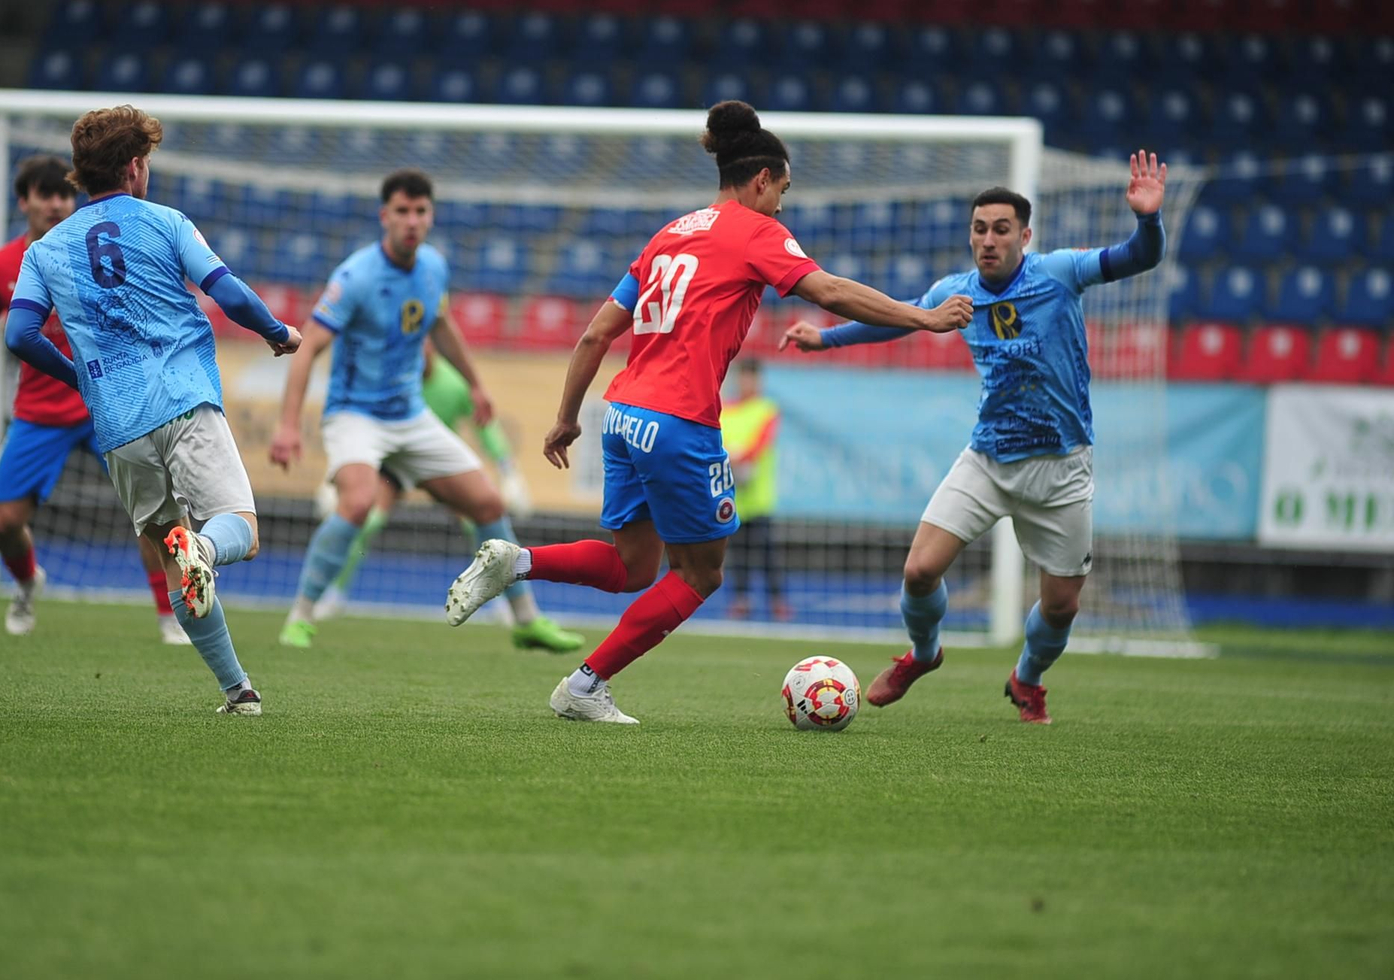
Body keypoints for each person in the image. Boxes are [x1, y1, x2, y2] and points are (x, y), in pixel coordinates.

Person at [443, 100, 973, 724]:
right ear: (760, 180)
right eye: (782, 190)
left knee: (632, 565)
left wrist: (567, 417)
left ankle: (516, 560)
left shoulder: (669, 233)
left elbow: (594, 336)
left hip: (621, 414)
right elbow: (827, 290)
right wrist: (925, 318)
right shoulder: (758, 231)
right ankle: (586, 685)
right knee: (701, 573)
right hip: (678, 422)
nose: (782, 204)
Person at [779, 151, 1169, 724]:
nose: (989, 240)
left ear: (1025, 235)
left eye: (1002, 230)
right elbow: (897, 317)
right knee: (918, 572)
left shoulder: (1059, 272)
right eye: (980, 229)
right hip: (987, 459)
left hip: (1061, 468)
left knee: (1060, 606)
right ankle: (924, 653)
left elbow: (1139, 257)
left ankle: (1027, 678)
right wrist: (826, 339)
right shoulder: (956, 290)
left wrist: (1148, 220)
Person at [5, 105, 301, 715]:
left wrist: (81, 379)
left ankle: (237, 690)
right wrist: (277, 333)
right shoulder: (165, 222)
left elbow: (20, 334)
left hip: (117, 425)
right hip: (183, 399)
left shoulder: (45, 249)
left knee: (171, 554)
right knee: (237, 532)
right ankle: (206, 554)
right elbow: (227, 292)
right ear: (136, 166)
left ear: (82, 176)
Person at [269, 169, 581, 654]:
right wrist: (288, 425)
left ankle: (525, 620)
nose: (411, 221)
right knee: (356, 504)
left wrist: (476, 385)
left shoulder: (433, 266)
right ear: (384, 217)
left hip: (410, 416)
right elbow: (307, 348)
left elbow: (441, 325)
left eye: (420, 212)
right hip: (356, 416)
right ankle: (302, 616)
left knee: (489, 505)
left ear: (430, 216)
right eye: (402, 212)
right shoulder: (356, 276)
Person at [0, 155, 187, 644]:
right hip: (41, 410)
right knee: (4, 521)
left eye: (64, 194)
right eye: (45, 195)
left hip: (109, 404)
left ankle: (169, 612)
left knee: (156, 512)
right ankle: (27, 582)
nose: (56, 204)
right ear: (24, 201)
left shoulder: (101, 253)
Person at [307, 335, 532, 625]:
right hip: (392, 463)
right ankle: (333, 595)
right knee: (368, 520)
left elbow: (485, 427)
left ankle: (506, 603)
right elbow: (357, 426)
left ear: (431, 348)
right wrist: (333, 478)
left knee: (482, 523)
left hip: (436, 464)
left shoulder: (454, 383)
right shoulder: (393, 381)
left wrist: (508, 470)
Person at [719, 357, 789, 621]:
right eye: (743, 377)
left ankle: (777, 600)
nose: (747, 383)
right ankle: (741, 600)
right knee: (737, 554)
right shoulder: (725, 410)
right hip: (731, 497)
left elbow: (762, 443)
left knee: (766, 552)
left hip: (758, 497)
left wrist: (739, 457)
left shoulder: (766, 410)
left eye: (752, 378)